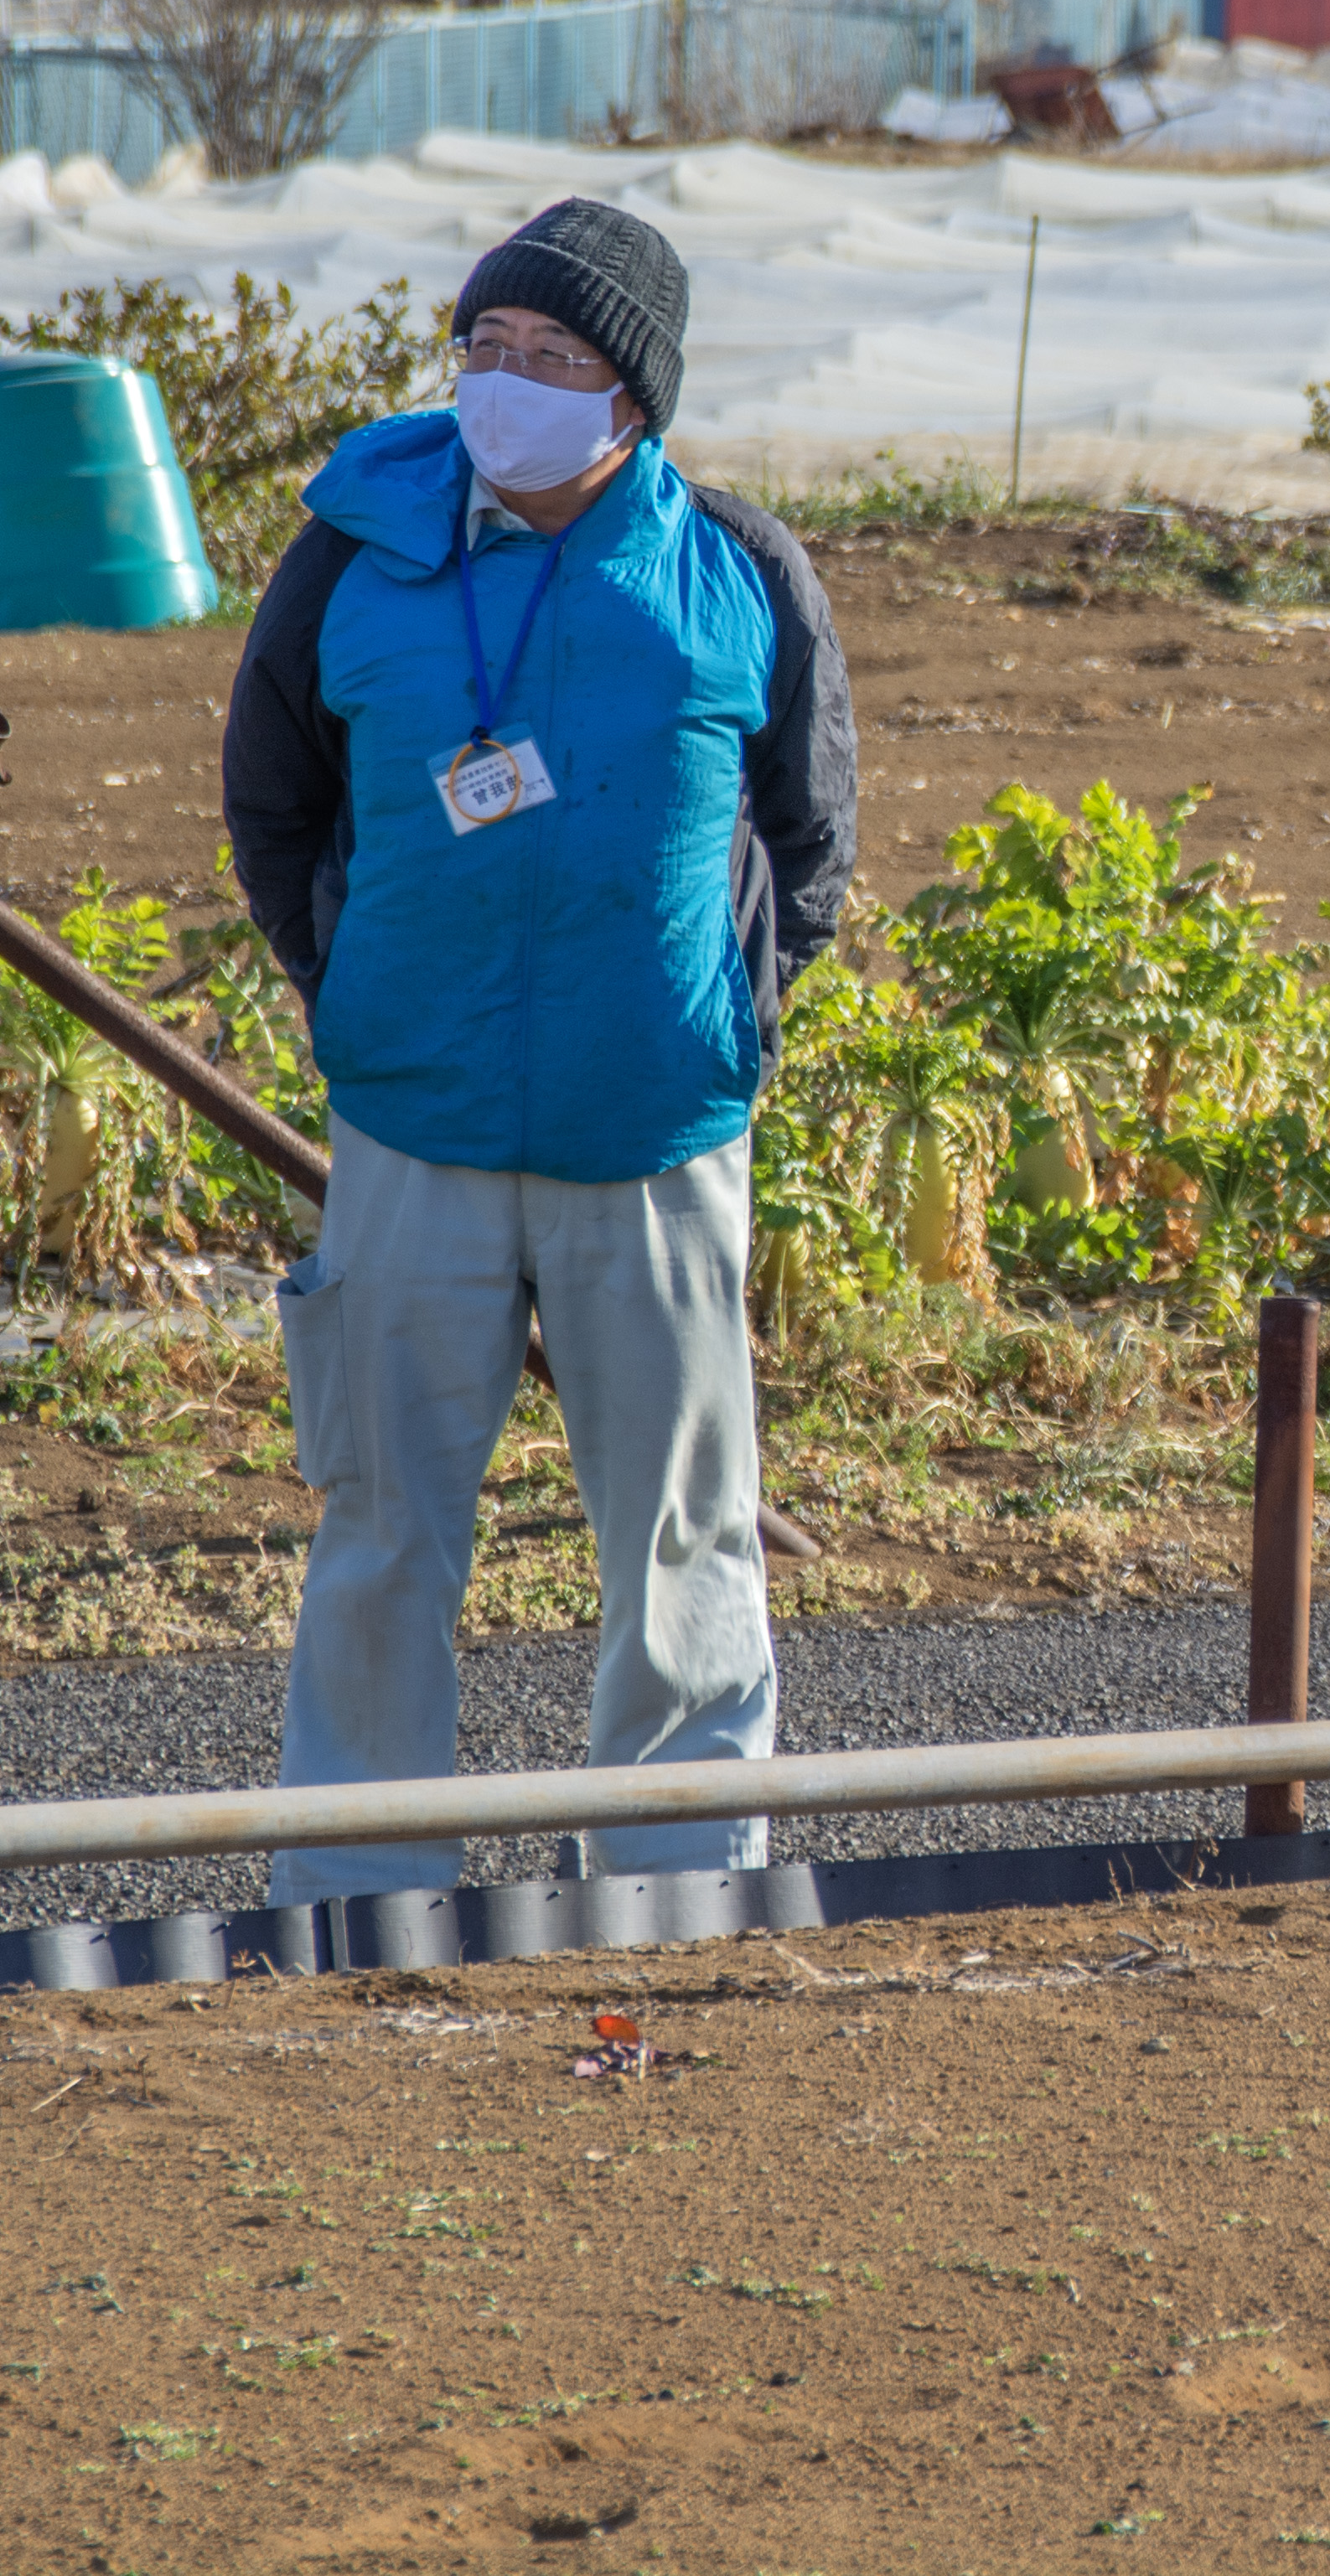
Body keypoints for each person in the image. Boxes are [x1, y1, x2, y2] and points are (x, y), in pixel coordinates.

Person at [221, 197, 855, 1904]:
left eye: (549, 357)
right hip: (414, 1122)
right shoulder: (357, 547)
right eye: (480, 348)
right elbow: (271, 796)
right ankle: (361, 1877)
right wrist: (341, 980)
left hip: (652, 1128)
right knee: (380, 1528)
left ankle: (676, 1869)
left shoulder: (740, 566)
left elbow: (810, 831)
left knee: (680, 1527)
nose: (502, 383)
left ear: (632, 398)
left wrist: (734, 1005)